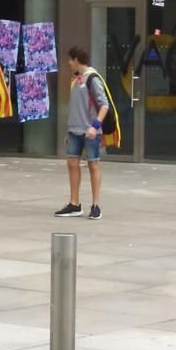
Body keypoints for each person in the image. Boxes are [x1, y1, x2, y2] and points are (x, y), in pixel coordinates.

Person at [55, 45, 119, 221]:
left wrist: (95, 125)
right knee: (72, 164)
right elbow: (75, 107)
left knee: (93, 165)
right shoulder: (76, 79)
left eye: (70, 60)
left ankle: (96, 205)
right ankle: (74, 204)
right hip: (74, 130)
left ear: (76, 60)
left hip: (90, 131)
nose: (69, 63)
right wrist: (69, 131)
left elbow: (104, 104)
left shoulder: (92, 78)